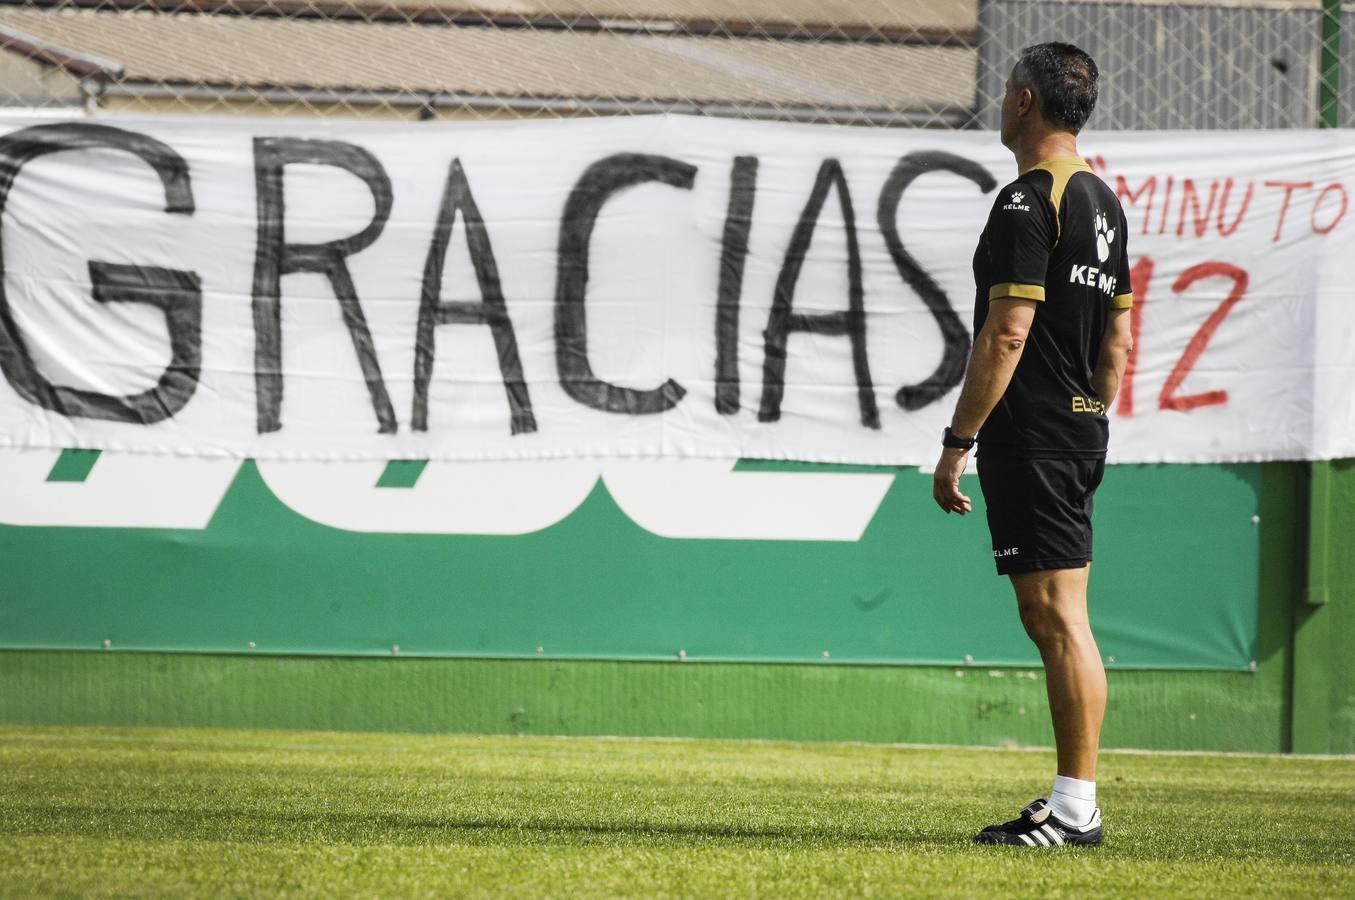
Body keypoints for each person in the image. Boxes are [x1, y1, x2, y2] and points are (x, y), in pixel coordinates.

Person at [931, 42, 1134, 848]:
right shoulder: (1102, 199)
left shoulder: (1028, 199)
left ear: (1022, 101)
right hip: (1077, 428)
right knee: (1055, 614)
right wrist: (1087, 412)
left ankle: (1075, 808)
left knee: (1054, 617)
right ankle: (1074, 802)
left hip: (1036, 434)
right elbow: (1116, 340)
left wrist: (959, 440)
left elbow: (1006, 332)